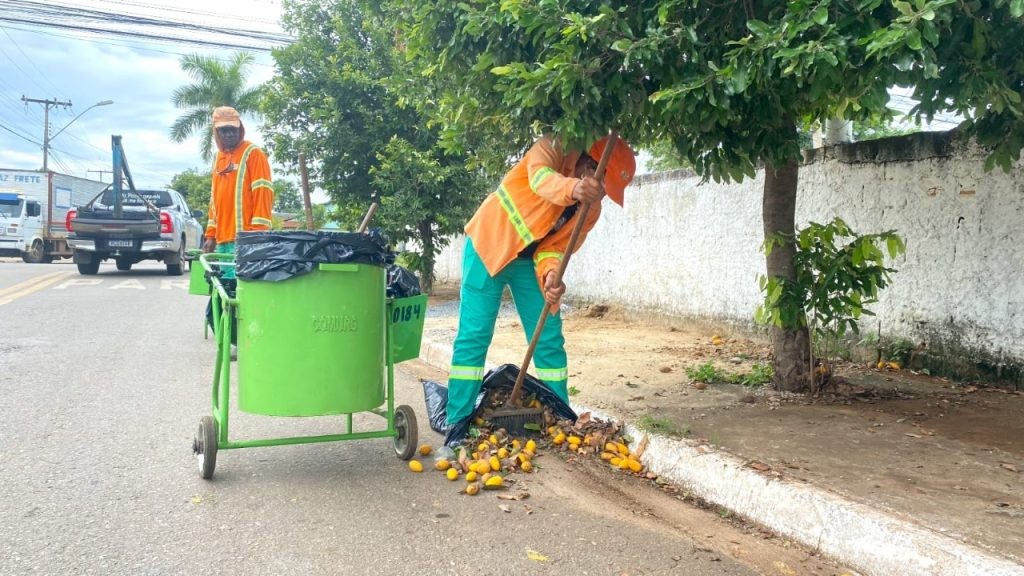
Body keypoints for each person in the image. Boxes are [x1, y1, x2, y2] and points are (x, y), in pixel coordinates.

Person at [445, 133, 636, 434]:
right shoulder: (553, 147)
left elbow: (555, 249)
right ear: (589, 164)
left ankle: (560, 417)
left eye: (605, 192)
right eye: (602, 186)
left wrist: (551, 275)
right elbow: (540, 179)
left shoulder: (591, 210)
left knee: (549, 338)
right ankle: (457, 421)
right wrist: (573, 188)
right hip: (489, 245)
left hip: (528, 265)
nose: (600, 196)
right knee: (475, 336)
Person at [202, 106, 274, 346]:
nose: (229, 134)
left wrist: (256, 236)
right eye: (224, 130)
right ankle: (233, 340)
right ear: (216, 132)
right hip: (223, 241)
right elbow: (214, 201)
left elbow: (263, 193)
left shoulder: (253, 154)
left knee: (240, 294)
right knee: (225, 292)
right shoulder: (219, 159)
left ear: (240, 128)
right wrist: (210, 234)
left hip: (245, 240)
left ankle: (244, 342)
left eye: (233, 129)